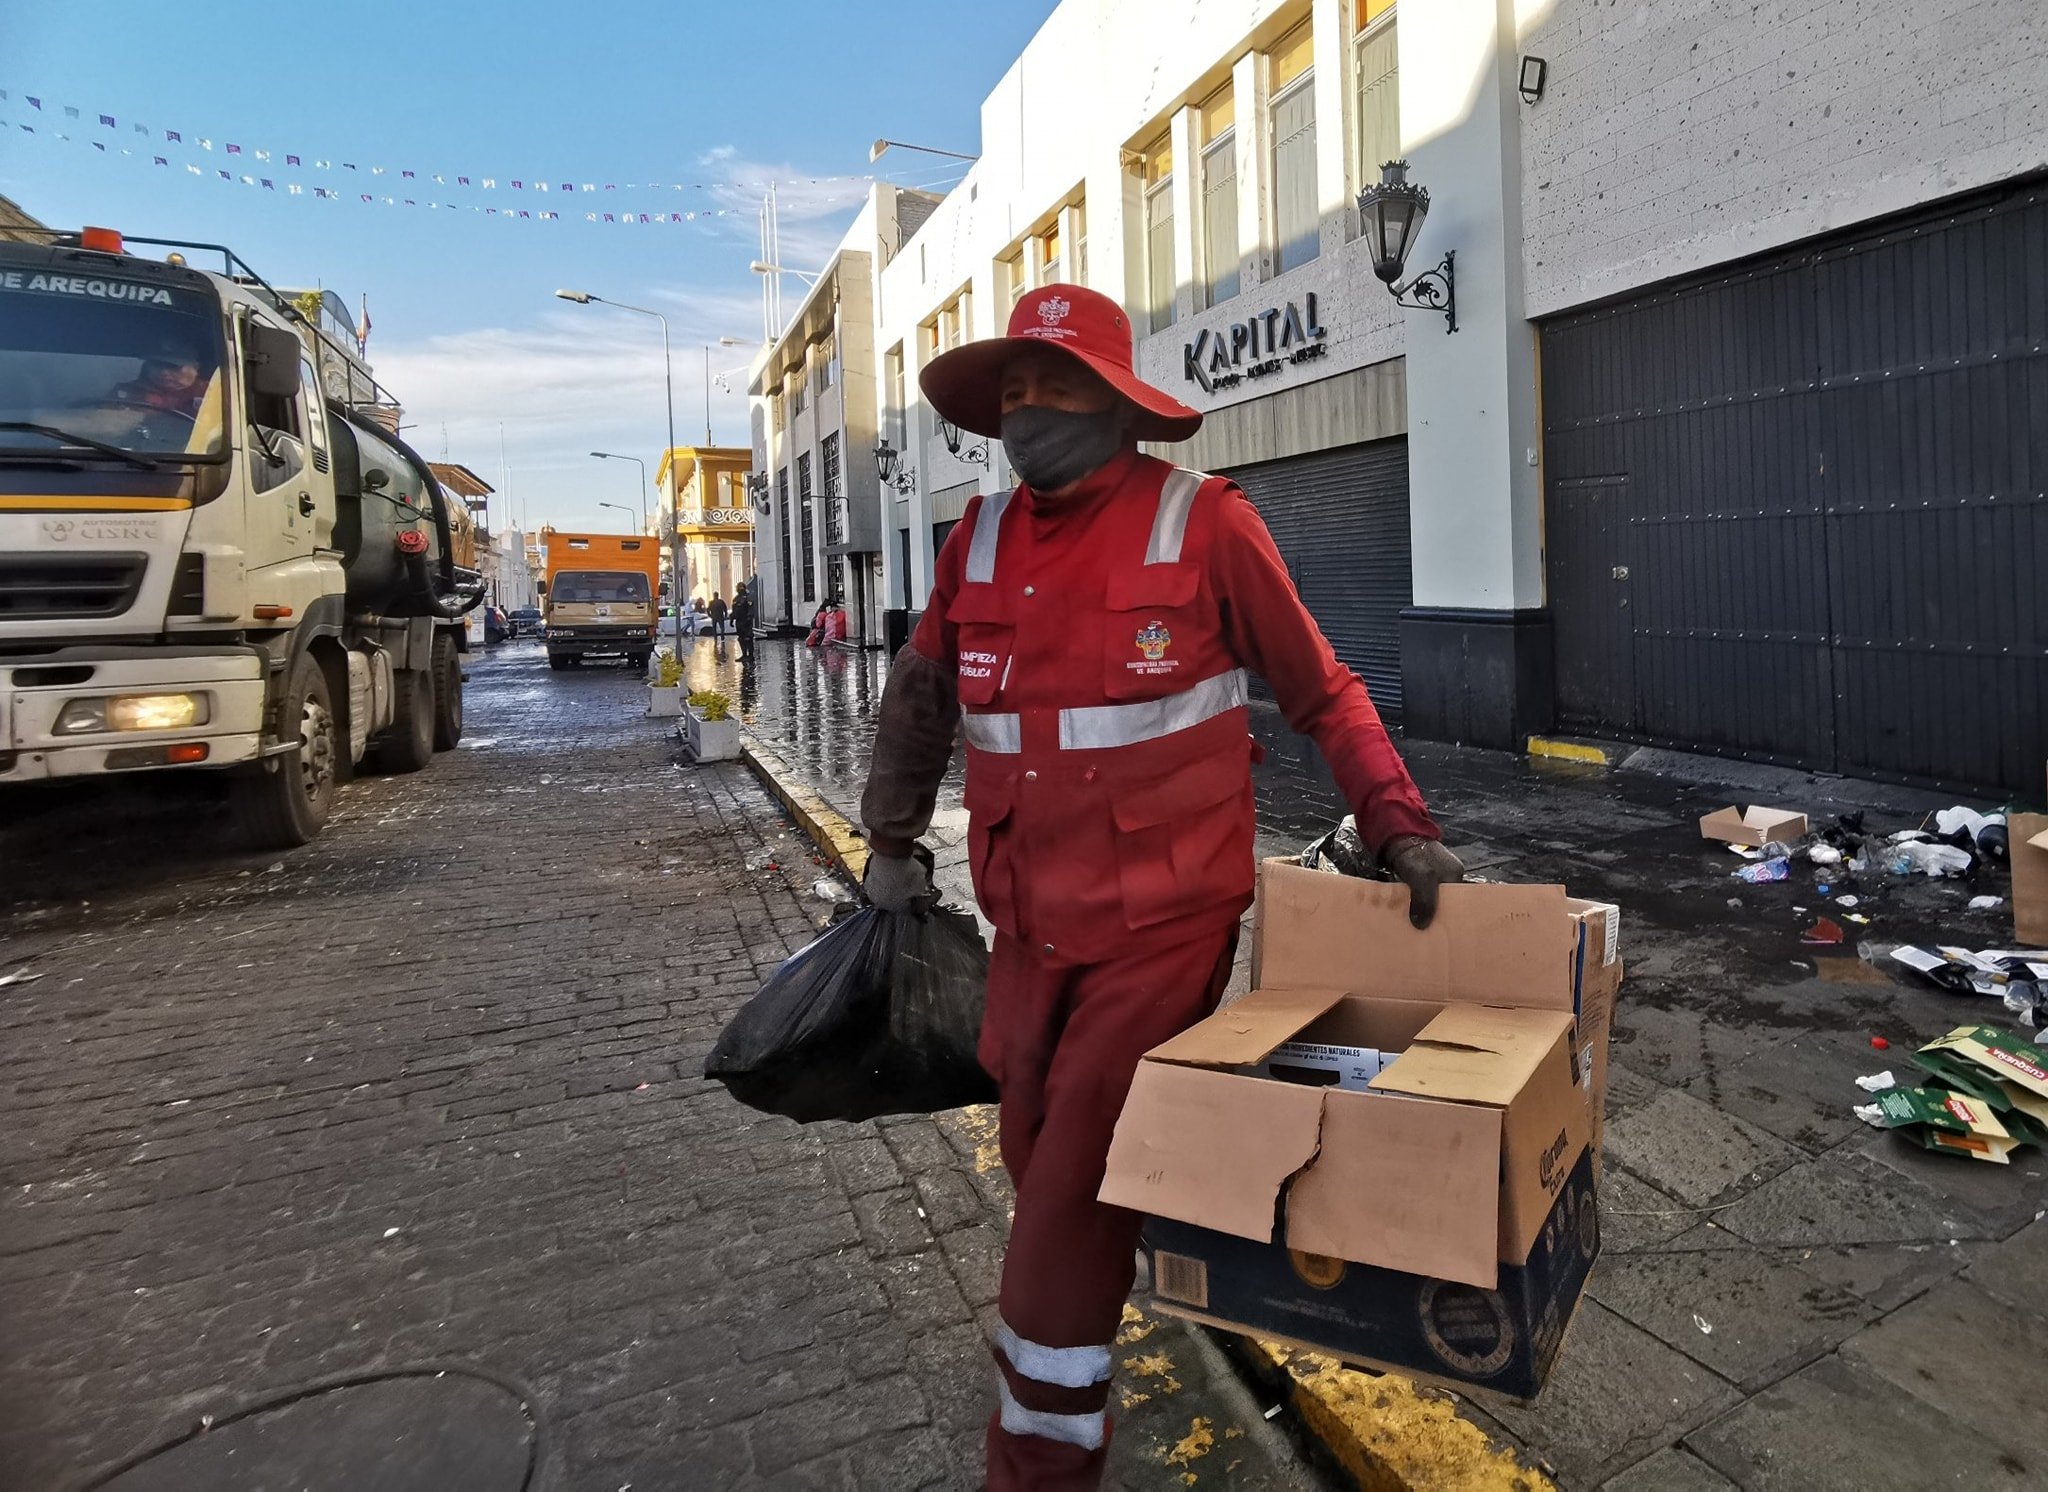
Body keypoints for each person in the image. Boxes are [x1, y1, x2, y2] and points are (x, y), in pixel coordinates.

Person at [856, 284, 1463, 1490]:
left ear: (1118, 401)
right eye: (1013, 394)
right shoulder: (970, 542)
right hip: (1022, 927)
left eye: (1054, 386)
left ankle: (1035, 1459)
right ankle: (1140, 1252)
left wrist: (1399, 829)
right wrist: (887, 840)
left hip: (1160, 927)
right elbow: (923, 704)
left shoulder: (1204, 526)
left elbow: (1322, 688)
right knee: (1039, 1156)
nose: (1028, 414)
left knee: (1065, 1202)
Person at [109, 335, 207, 418]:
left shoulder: (212, 393)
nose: (164, 372)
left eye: (173, 366)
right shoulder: (127, 393)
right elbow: (106, 425)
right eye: (157, 364)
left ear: (195, 368)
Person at [731, 579, 756, 656]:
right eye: (739, 589)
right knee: (741, 638)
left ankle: (751, 655)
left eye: (741, 588)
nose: (740, 590)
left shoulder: (748, 598)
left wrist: (749, 618)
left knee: (748, 638)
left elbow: (751, 608)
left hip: (746, 621)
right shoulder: (735, 599)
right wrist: (731, 620)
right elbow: (734, 610)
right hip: (739, 621)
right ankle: (744, 654)